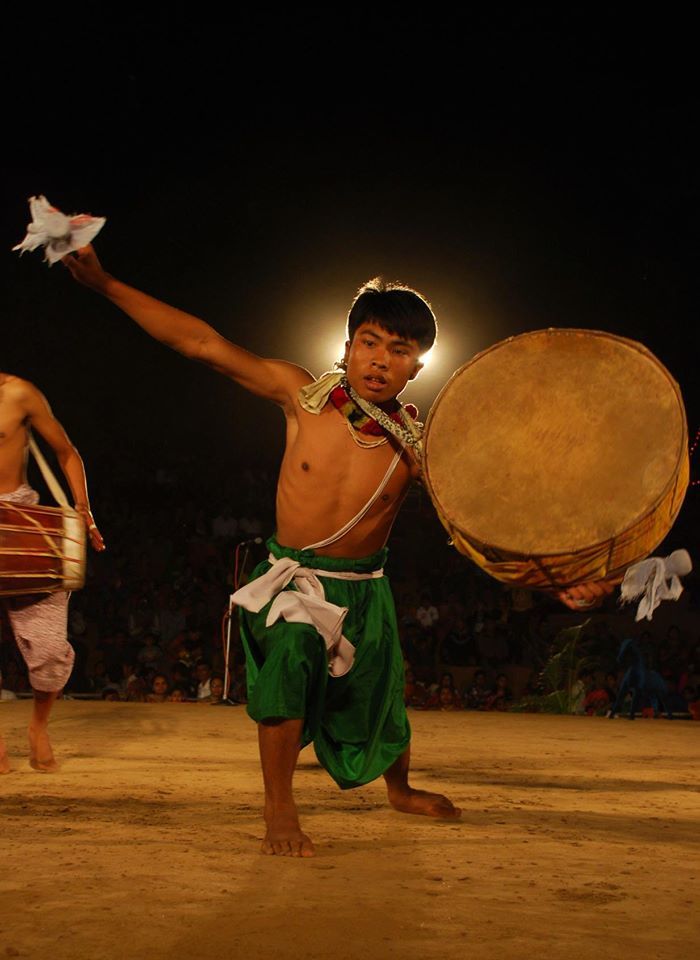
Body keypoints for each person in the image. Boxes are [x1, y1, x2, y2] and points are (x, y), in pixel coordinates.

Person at [63, 244, 608, 856]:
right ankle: (279, 806)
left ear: (416, 368)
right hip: (292, 581)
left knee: (381, 694)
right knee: (292, 655)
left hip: (364, 587)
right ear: (347, 347)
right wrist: (105, 284)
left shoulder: (419, 448)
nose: (380, 359)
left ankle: (399, 788)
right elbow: (202, 344)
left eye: (398, 350)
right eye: (370, 343)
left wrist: (558, 580)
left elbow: (481, 530)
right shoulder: (301, 396)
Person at [0, 373, 104, 774]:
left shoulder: (18, 393)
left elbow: (66, 452)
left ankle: (38, 727)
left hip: (21, 522)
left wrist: (84, 510)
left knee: (48, 650)